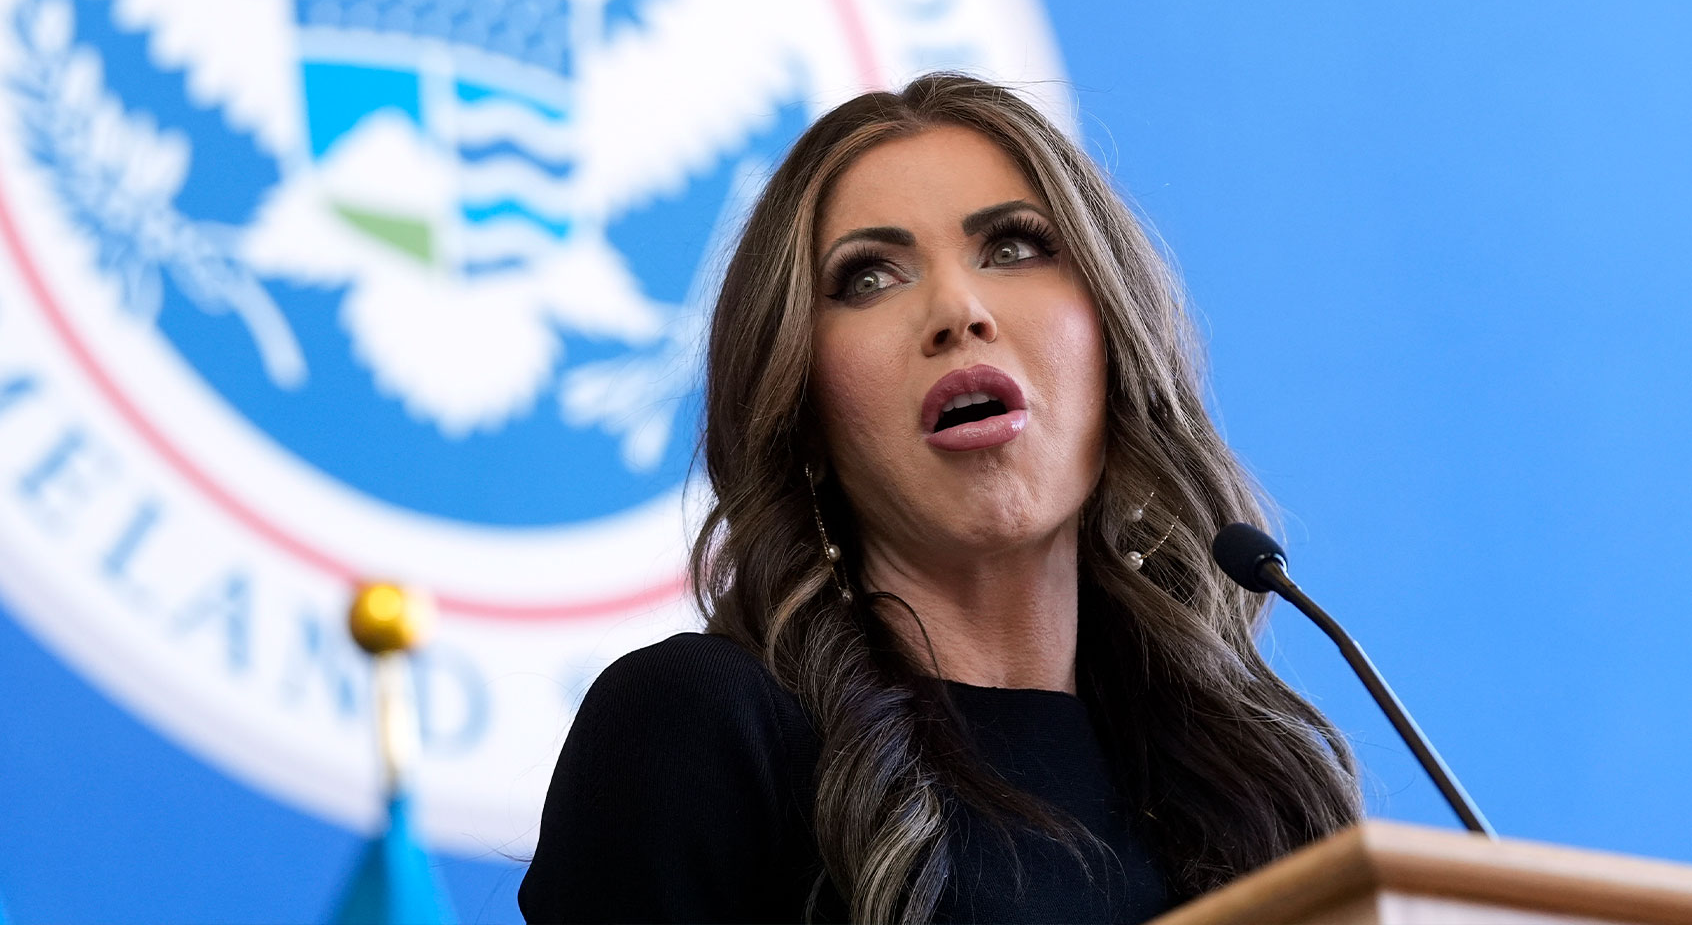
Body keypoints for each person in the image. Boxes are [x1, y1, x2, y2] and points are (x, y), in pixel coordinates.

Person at [518, 74, 1361, 924]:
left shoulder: (1258, 782)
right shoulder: (697, 730)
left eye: (1013, 248)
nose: (957, 310)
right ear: (802, 407)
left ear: (1114, 343)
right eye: (869, 278)